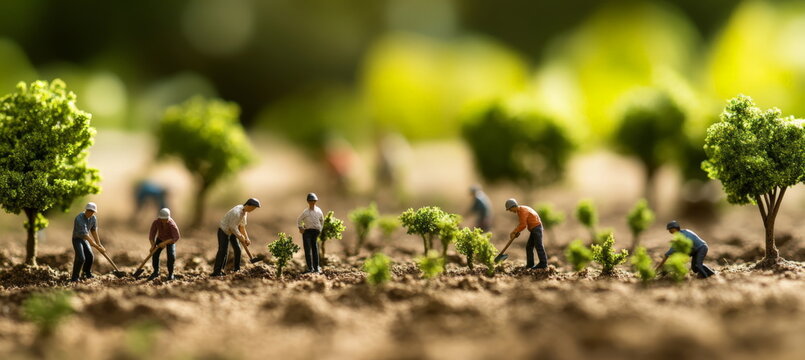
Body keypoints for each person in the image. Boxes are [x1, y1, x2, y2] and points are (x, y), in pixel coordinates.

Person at [211, 198, 260, 277]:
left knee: (238, 249)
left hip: (234, 231)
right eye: (253, 208)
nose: (253, 210)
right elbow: (232, 226)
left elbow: (242, 227)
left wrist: (246, 238)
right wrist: (240, 236)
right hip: (224, 230)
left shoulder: (244, 212)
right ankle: (217, 271)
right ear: (248, 205)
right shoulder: (236, 212)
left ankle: (236, 269)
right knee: (223, 251)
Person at [505, 198, 547, 269]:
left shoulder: (522, 211)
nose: (510, 211)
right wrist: (517, 231)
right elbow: (523, 224)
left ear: (513, 206)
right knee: (529, 247)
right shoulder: (520, 210)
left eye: (510, 209)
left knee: (538, 246)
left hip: (536, 228)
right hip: (534, 229)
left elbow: (523, 225)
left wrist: (514, 231)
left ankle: (543, 264)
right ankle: (530, 264)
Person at [71, 202, 104, 282]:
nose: (90, 213)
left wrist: (99, 244)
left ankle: (86, 273)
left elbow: (93, 231)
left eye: (92, 211)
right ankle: (74, 277)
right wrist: (97, 247)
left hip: (85, 240)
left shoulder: (93, 218)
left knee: (90, 256)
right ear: (86, 210)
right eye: (89, 211)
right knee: (81, 258)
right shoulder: (79, 218)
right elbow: (86, 235)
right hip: (77, 239)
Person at [146, 208, 181, 281]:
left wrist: (165, 243)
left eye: (165, 219)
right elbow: (152, 234)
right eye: (162, 219)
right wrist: (152, 245)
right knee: (155, 254)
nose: (164, 221)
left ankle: (171, 274)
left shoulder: (172, 224)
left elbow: (176, 237)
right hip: (160, 238)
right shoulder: (156, 222)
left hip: (170, 240)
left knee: (171, 256)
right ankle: (156, 272)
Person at [297, 193, 324, 274]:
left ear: (316, 201)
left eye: (314, 201)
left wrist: (320, 229)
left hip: (315, 232)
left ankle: (316, 268)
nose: (312, 202)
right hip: (307, 232)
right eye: (310, 201)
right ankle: (310, 268)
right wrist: (300, 227)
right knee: (307, 250)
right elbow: (299, 220)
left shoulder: (319, 211)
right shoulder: (305, 212)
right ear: (308, 201)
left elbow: (322, 220)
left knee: (315, 250)